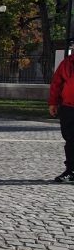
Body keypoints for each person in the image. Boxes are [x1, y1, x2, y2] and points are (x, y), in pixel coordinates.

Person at [48, 45, 74, 182]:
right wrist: (53, 103)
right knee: (70, 139)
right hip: (68, 107)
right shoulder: (67, 63)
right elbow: (56, 84)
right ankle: (71, 171)